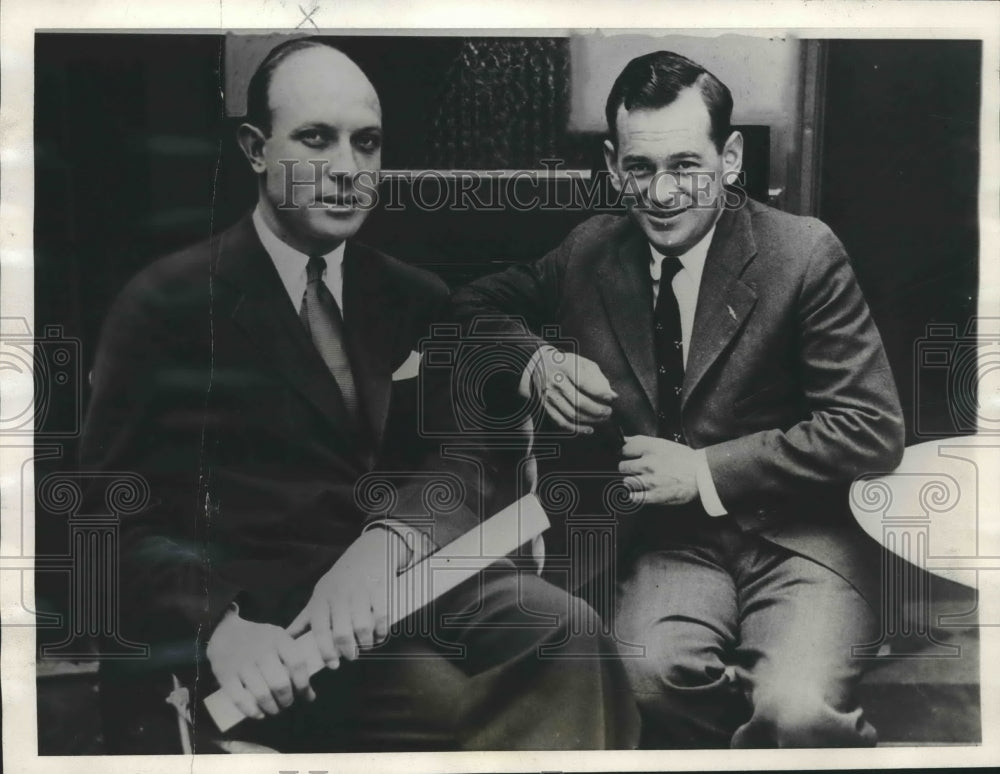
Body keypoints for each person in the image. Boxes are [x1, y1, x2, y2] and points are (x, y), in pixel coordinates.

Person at [81, 37, 637, 753]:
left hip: (400, 583)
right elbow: (104, 517)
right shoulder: (166, 305)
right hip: (268, 634)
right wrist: (218, 628)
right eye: (316, 140)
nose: (347, 170)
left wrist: (389, 542)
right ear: (255, 148)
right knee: (459, 704)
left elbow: (466, 454)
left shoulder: (411, 294)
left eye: (367, 144)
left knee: (569, 633)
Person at [451, 50, 905, 748]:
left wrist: (703, 471)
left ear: (730, 157)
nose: (661, 196)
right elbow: (467, 309)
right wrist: (535, 362)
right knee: (647, 684)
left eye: (686, 167)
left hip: (800, 540)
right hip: (672, 549)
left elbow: (869, 428)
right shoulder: (590, 253)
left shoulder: (804, 254)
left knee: (797, 710)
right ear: (612, 164)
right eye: (640, 169)